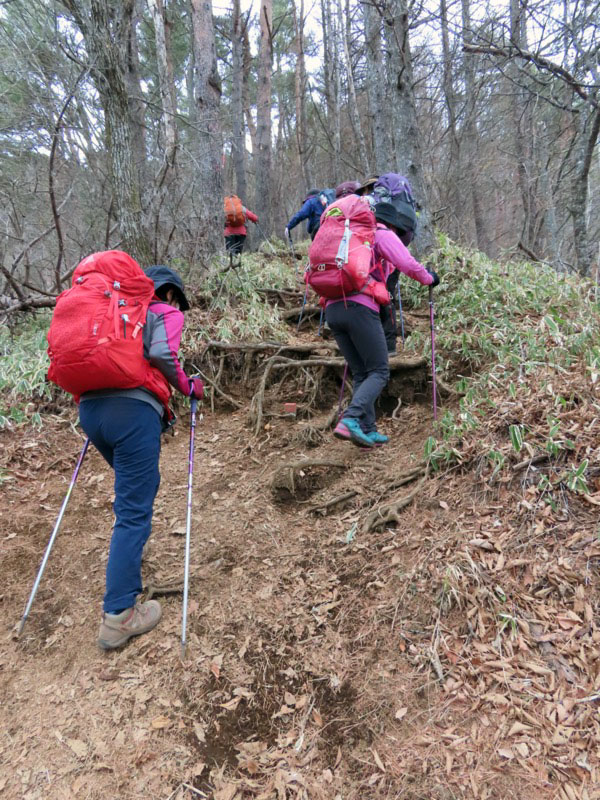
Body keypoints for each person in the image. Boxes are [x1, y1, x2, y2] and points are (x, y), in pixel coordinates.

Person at [78, 264, 204, 650]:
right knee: (133, 510)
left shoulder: (113, 310)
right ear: (169, 295)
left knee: (139, 489)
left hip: (92, 411)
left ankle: (131, 553)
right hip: (132, 413)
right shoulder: (163, 312)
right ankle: (119, 616)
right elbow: (164, 353)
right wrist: (188, 387)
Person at [327, 202, 439, 448]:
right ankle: (351, 418)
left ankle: (366, 429)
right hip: (359, 308)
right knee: (380, 370)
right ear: (392, 225)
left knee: (361, 372)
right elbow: (407, 264)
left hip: (333, 309)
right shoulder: (382, 233)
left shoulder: (350, 234)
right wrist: (429, 278)